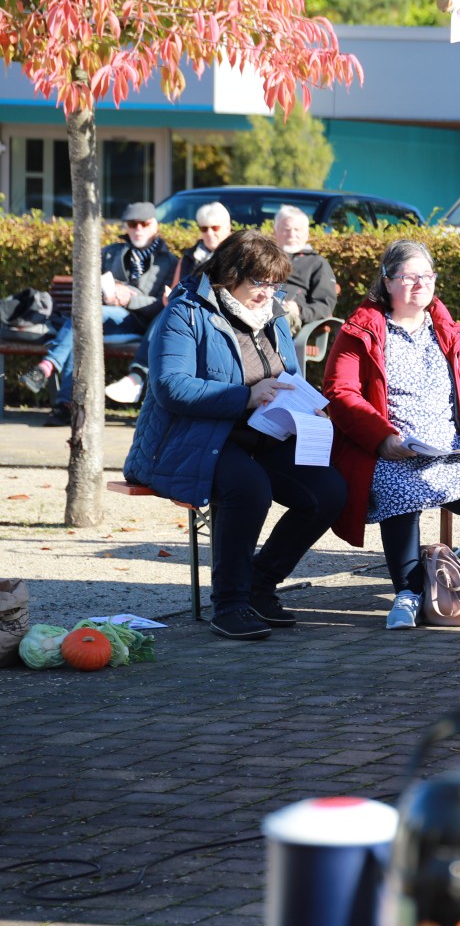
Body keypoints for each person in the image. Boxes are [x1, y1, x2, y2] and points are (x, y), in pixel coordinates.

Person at [123, 230, 346, 641]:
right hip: (195, 439)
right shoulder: (184, 313)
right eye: (259, 283)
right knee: (250, 489)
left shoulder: (274, 317)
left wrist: (303, 403)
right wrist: (244, 397)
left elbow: (287, 375)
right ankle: (229, 604)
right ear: (229, 274)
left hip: (264, 434)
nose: (268, 294)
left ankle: (260, 586)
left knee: (328, 491)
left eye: (275, 284)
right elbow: (171, 387)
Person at [324, 239, 460, 630]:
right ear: (387, 282)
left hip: (451, 449)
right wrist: (383, 439)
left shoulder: (448, 332)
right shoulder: (360, 331)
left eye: (426, 276)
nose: (419, 285)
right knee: (399, 489)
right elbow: (340, 393)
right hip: (394, 449)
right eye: (408, 277)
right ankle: (408, 594)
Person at [22, 200, 179, 426]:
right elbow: (86, 285)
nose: (138, 229)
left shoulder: (169, 261)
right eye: (132, 224)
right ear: (125, 226)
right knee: (81, 329)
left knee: (85, 320)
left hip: (141, 323)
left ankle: (49, 370)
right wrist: (106, 293)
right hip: (105, 315)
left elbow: (164, 303)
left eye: (144, 224)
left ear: (155, 225)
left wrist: (129, 299)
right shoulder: (111, 252)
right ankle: (65, 404)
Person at [107, 201, 233, 405]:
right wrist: (170, 297)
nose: (209, 233)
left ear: (228, 228)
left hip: (218, 318)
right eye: (204, 228)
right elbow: (176, 288)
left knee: (169, 317)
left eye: (215, 228)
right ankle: (138, 381)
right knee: (168, 312)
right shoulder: (190, 257)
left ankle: (137, 378)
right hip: (187, 316)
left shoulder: (235, 256)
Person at [273, 206, 339, 335]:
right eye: (286, 229)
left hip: (289, 319)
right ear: (276, 232)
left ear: (306, 233)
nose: (292, 235)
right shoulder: (264, 257)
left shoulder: (316, 263)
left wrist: (299, 310)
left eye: (297, 230)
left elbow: (325, 306)